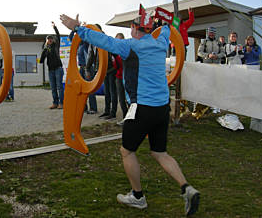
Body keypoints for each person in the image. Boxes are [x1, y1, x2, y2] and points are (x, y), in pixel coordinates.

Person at [60, 13, 200, 216]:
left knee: (127, 151)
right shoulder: (161, 42)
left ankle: (137, 196)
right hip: (162, 108)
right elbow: (169, 28)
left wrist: (77, 28)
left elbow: (102, 40)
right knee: (160, 153)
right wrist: (166, 23)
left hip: (142, 107)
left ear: (135, 29)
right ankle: (187, 188)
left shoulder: (130, 46)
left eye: (131, 27)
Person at [40, 23, 64, 109]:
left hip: (58, 69)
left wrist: (55, 27)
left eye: (51, 39)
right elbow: (41, 60)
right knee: (53, 88)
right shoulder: (46, 49)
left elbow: (58, 35)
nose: (50, 40)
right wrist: (45, 49)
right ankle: (55, 103)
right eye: (48, 39)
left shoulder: (56, 45)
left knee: (59, 87)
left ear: (53, 40)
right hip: (51, 70)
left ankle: (62, 103)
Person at [113, 33, 128, 125]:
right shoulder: (115, 53)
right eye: (117, 40)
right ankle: (125, 117)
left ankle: (131, 119)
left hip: (127, 78)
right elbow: (116, 66)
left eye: (120, 40)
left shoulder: (126, 51)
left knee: (129, 99)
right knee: (121, 99)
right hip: (119, 77)